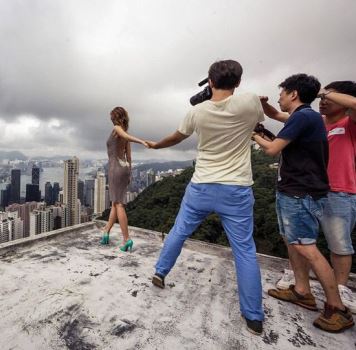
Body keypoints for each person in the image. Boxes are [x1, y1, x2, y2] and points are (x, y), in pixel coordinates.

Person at [147, 60, 265, 335]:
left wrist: (155, 144)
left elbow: (176, 138)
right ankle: (254, 317)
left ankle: (160, 272)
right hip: (236, 188)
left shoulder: (197, 111)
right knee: (244, 250)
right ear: (238, 82)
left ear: (209, 82)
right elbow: (259, 121)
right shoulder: (249, 102)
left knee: (179, 231)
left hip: (201, 185)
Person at [252, 74, 354, 333]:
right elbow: (277, 120)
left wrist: (254, 136)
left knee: (308, 246)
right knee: (296, 242)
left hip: (301, 193)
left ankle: (337, 307)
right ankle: (302, 291)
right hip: (298, 190)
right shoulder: (310, 118)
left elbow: (273, 149)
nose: (279, 97)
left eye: (283, 92)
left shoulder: (303, 116)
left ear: (294, 94)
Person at [275, 81, 356, 313]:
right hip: (308, 188)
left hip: (339, 190)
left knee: (338, 244)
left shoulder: (350, 123)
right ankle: (300, 285)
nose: (323, 101)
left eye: (329, 98)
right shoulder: (314, 121)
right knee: (298, 239)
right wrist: (267, 106)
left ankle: (339, 291)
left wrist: (322, 91)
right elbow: (282, 116)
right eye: (321, 98)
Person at [100, 106, 148, 252]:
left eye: (112, 117)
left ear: (115, 117)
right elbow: (129, 157)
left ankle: (127, 239)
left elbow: (126, 137)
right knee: (115, 202)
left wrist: (142, 141)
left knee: (118, 204)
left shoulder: (117, 130)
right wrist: (129, 173)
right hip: (124, 168)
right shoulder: (124, 132)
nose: (111, 120)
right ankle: (106, 232)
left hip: (116, 169)